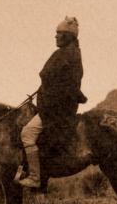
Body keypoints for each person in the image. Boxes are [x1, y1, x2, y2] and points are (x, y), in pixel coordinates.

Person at [19, 17, 85, 189]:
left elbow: (63, 86)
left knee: (27, 134)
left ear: (68, 37)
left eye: (59, 34)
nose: (55, 37)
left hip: (55, 110)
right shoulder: (71, 54)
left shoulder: (65, 55)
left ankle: (35, 177)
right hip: (56, 106)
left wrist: (45, 102)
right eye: (56, 33)